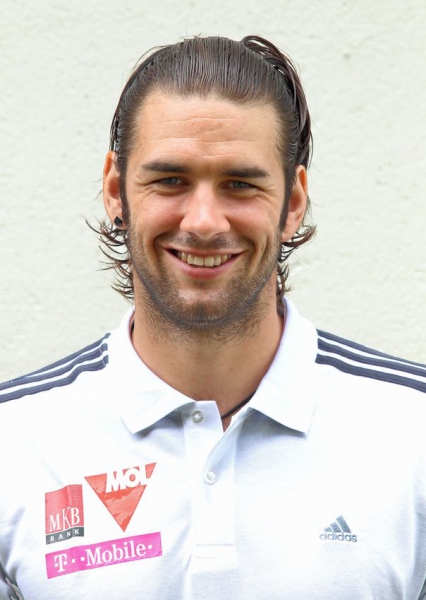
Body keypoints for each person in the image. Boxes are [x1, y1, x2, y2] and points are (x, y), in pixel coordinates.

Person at [1, 34, 426, 600]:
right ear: (116, 191)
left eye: (240, 184)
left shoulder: (412, 432)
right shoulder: (15, 441)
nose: (203, 221)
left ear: (293, 201)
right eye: (170, 180)